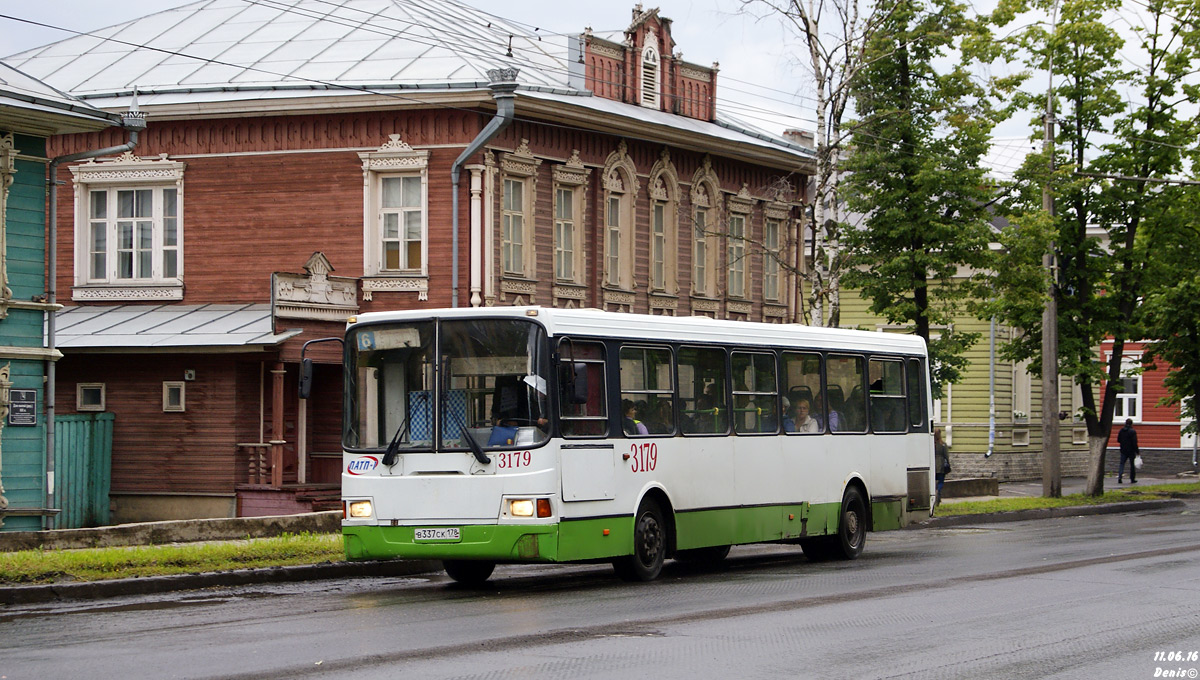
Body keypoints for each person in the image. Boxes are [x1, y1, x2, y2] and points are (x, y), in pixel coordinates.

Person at [1117, 418, 1139, 484]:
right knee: (1132, 465)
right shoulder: (1132, 431)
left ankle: (1120, 477)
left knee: (1122, 464)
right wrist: (1137, 451)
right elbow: (1134, 442)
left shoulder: (1121, 431)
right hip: (1131, 451)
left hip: (1123, 450)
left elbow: (1118, 440)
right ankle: (1132, 479)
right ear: (1131, 424)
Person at [934, 428, 950, 506]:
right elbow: (946, 455)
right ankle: (938, 492)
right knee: (940, 481)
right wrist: (948, 463)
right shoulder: (943, 444)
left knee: (933, 481)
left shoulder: (932, 444)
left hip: (933, 464)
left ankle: (934, 494)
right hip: (941, 465)